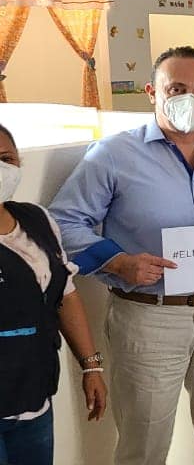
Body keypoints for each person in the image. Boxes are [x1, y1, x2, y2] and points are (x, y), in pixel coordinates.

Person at [49, 46, 194, 465]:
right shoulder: (113, 156)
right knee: (145, 443)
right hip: (148, 317)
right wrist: (118, 261)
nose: (189, 99)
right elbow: (62, 224)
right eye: (177, 88)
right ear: (152, 92)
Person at [0, 123, 107, 465]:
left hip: (33, 396)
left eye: (6, 158)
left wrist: (91, 367)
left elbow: (65, 295)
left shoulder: (36, 220)